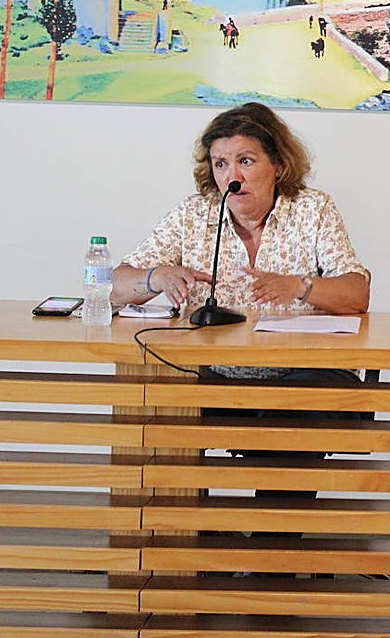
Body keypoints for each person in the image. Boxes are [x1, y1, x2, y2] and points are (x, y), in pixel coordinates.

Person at [112, 102, 371, 502]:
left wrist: (300, 286)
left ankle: (268, 540)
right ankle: (194, 532)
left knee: (289, 411)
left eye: (245, 161)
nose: (232, 177)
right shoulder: (193, 215)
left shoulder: (313, 210)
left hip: (304, 373)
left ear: (278, 165)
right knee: (165, 399)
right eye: (221, 164)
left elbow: (357, 293)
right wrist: (156, 277)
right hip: (215, 375)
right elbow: (113, 287)